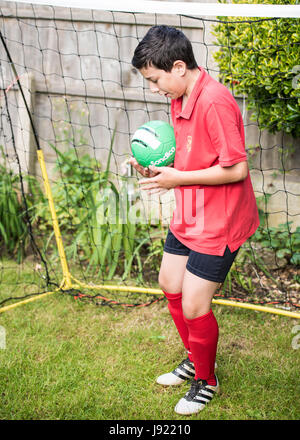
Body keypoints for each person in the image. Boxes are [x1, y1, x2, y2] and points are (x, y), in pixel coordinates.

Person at [129, 25, 259, 416]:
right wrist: (158, 170)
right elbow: (192, 158)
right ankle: (194, 358)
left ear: (179, 66)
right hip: (191, 210)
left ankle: (207, 379)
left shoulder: (215, 101)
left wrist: (178, 179)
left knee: (194, 305)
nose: (153, 89)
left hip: (220, 220)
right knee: (169, 282)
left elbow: (235, 170)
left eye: (155, 79)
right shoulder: (179, 95)